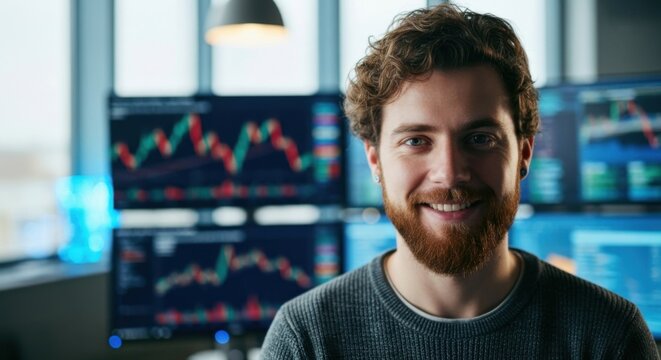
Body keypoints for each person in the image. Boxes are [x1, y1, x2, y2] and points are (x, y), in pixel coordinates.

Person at [261, 4, 659, 359]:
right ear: (374, 160)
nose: (450, 172)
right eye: (416, 141)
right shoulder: (306, 339)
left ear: (524, 152)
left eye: (480, 139)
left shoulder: (608, 336)